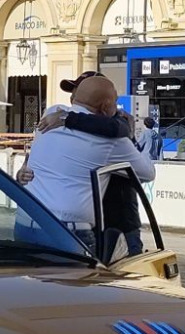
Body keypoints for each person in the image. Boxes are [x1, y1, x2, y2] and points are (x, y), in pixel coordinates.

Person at [22, 74, 154, 251]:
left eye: (75, 92)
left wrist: (67, 118)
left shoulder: (52, 114)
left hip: (27, 219)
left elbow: (113, 126)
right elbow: (147, 173)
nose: (71, 98)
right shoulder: (113, 139)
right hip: (70, 228)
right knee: (80, 279)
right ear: (106, 106)